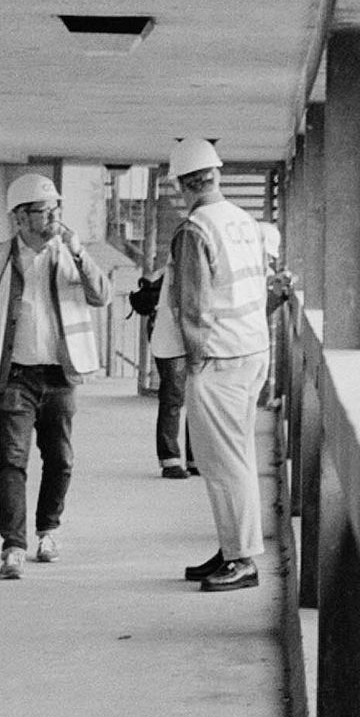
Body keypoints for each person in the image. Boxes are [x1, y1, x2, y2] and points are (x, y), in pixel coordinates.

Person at [0, 172, 112, 579]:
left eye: (56, 208)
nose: (53, 216)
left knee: (60, 458)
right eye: (43, 210)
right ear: (19, 218)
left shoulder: (70, 253)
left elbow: (101, 295)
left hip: (60, 375)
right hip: (14, 375)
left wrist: (78, 252)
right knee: (11, 461)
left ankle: (47, 530)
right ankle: (13, 546)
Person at [167, 139, 273, 592]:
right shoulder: (243, 221)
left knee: (223, 465)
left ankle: (243, 561)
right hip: (253, 351)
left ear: (182, 185)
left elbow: (194, 305)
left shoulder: (195, 229)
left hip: (219, 359)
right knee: (239, 458)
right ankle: (232, 548)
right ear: (215, 176)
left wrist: (194, 359)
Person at [130, 256, 195, 480]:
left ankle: (193, 458)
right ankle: (170, 460)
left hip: (187, 333)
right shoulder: (183, 262)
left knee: (194, 397)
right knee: (173, 396)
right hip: (169, 333)